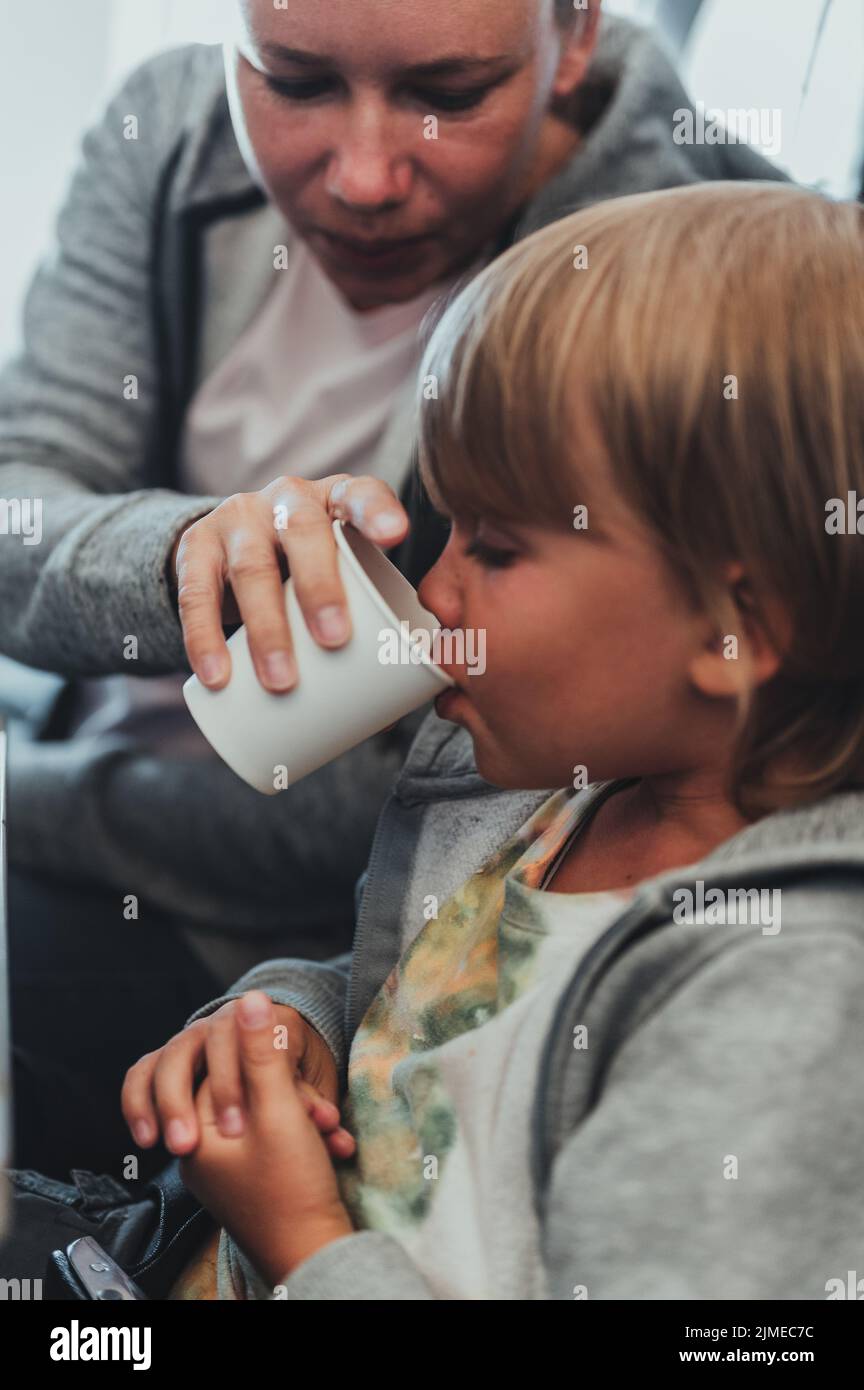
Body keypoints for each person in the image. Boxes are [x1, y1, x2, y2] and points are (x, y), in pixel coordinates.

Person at [5, 179, 863, 1298]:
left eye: (495, 548)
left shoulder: (782, 1002)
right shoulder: (548, 791)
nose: (432, 587)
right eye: (444, 524)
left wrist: (304, 1240)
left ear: (740, 627)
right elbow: (435, 1004)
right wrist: (292, 1018)